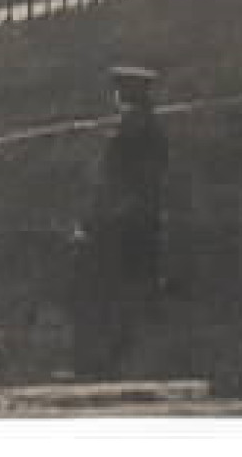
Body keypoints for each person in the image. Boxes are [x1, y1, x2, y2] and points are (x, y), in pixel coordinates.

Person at [71, 66, 170, 377]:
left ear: (123, 94)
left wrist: (90, 223)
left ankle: (109, 362)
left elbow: (111, 184)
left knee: (110, 292)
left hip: (120, 225)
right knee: (137, 290)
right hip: (145, 221)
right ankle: (135, 360)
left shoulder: (127, 133)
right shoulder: (152, 129)